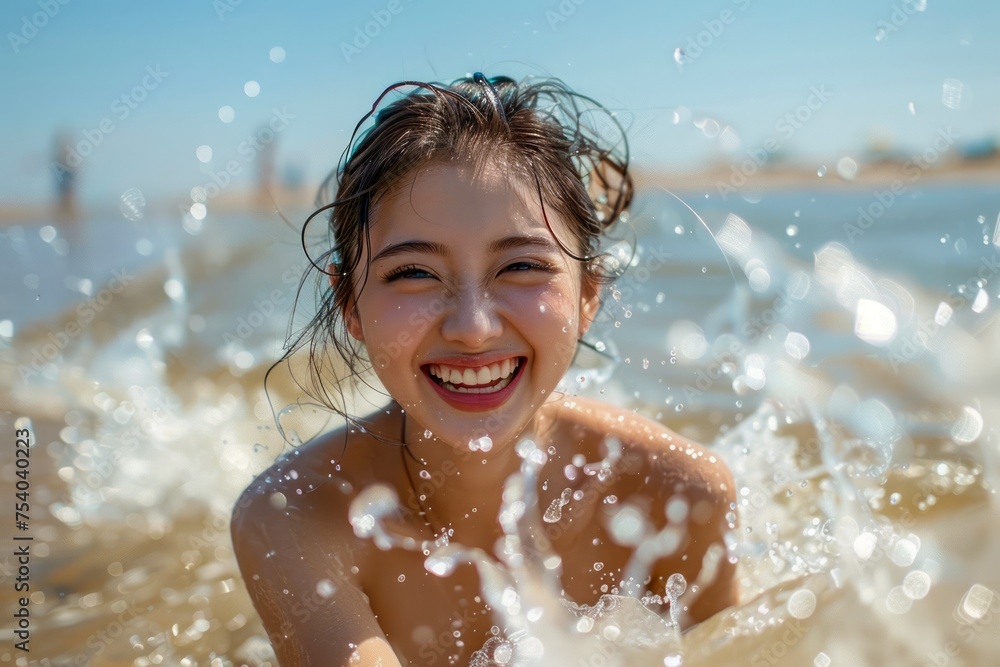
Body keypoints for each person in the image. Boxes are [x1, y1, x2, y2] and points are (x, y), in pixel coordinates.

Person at [230, 73, 738, 666]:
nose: (473, 327)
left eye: (521, 265)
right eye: (413, 273)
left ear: (587, 296)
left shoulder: (681, 494)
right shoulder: (297, 517)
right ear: (351, 307)